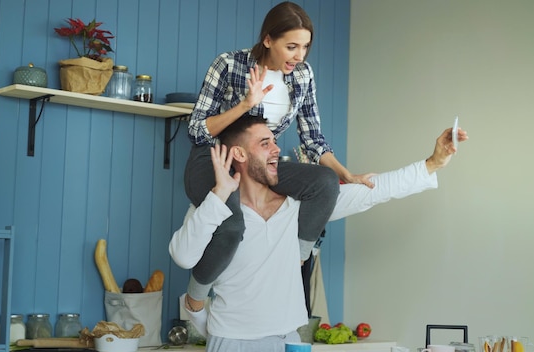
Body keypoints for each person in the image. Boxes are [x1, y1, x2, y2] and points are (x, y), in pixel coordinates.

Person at [170, 114, 469, 352]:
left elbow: (372, 193)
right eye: (264, 143)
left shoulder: (298, 207)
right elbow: (183, 256)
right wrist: (221, 192)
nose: (276, 149)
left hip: (290, 338)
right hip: (230, 341)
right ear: (239, 153)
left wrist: (433, 163)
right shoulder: (213, 207)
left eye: (275, 141)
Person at [183, 1, 375, 314]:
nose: (299, 56)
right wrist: (246, 104)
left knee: (325, 183)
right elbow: (196, 130)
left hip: (260, 164)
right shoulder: (229, 64)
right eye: (292, 46)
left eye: (305, 47)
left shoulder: (302, 76)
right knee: (232, 225)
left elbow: (312, 138)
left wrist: (347, 175)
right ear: (268, 39)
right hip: (215, 158)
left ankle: (294, 258)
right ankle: (196, 294)